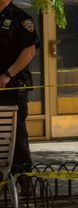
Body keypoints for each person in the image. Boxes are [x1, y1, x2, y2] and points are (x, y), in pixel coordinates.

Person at [0, 0, 40, 188]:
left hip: (12, 87)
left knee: (15, 135)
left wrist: (8, 75)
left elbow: (30, 50)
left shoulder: (21, 18)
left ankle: (23, 183)